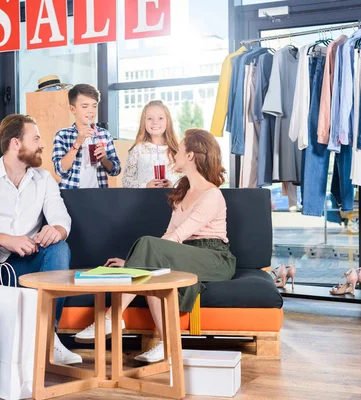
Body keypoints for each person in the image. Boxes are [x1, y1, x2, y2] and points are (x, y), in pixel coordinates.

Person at [75, 128, 236, 363]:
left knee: (149, 251)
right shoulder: (183, 192)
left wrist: (139, 261)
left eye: (179, 150)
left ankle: (111, 317)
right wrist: (135, 263)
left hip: (214, 257)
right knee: (150, 270)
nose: (174, 154)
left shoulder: (211, 195)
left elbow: (178, 236)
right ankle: (167, 344)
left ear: (191, 155)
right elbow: (169, 235)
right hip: (184, 252)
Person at [0, 114, 82, 365]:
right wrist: (5, 239)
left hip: (27, 265)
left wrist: (55, 230)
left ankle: (48, 337)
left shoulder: (44, 180)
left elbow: (61, 218)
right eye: (35, 139)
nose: (42, 144)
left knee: (59, 247)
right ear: (15, 143)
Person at [52, 84, 121, 188]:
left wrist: (104, 159)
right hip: (72, 195)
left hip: (98, 195)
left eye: (94, 106)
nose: (91, 111)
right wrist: (78, 143)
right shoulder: (62, 135)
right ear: (73, 109)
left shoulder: (104, 135)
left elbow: (116, 170)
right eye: (85, 106)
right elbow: (60, 170)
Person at [122, 100, 182, 188]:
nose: (155, 122)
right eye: (150, 118)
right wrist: (145, 186)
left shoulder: (178, 150)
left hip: (171, 199)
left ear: (168, 121)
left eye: (160, 118)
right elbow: (126, 181)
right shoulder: (138, 149)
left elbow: (185, 180)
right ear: (144, 122)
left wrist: (172, 185)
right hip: (144, 200)